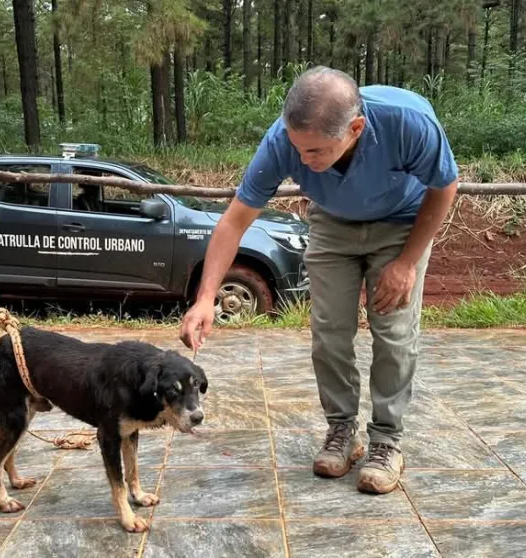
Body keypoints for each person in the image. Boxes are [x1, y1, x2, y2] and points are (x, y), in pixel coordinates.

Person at [179, 66, 459, 494]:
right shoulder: (284, 140)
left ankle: (386, 441)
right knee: (329, 332)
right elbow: (235, 221)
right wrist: (205, 297)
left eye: (315, 152)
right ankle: (341, 431)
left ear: (356, 128)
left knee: (394, 333)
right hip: (332, 222)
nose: (303, 161)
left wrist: (406, 262)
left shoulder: (408, 123)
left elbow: (444, 188)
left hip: (404, 223)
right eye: (298, 149)